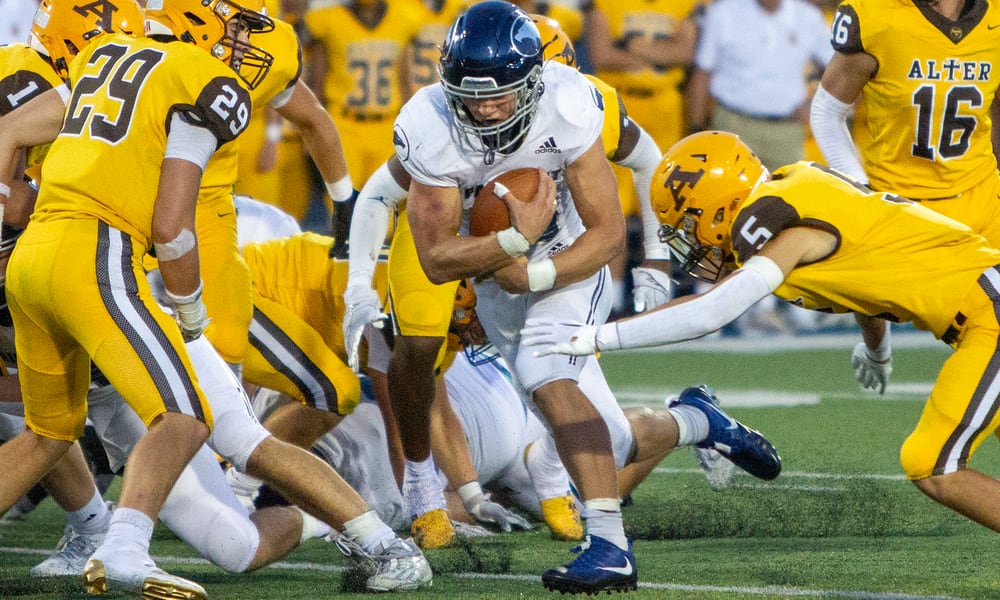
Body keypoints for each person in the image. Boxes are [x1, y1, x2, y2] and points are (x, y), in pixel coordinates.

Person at [393, 2, 780, 594]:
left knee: (545, 370)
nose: (486, 110)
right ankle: (698, 420)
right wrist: (511, 241)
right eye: (472, 97)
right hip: (502, 276)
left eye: (500, 95)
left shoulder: (570, 102)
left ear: (532, 81)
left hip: (569, 260)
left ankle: (609, 545)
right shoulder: (429, 123)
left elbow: (603, 233)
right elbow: (435, 257)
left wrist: (544, 270)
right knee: (608, 441)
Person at [522, 129, 1000, 544]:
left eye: (688, 224)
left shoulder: (783, 222)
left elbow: (714, 310)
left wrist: (598, 336)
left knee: (932, 463)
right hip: (982, 307)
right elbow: (865, 275)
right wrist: (877, 350)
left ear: (723, 204)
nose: (689, 241)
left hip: (989, 313)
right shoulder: (800, 189)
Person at [0, 0, 245, 594]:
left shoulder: (97, 58)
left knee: (47, 434)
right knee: (186, 415)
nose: (240, 41)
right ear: (200, 28)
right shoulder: (198, 77)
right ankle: (127, 548)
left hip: (29, 261)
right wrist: (190, 311)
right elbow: (171, 228)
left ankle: (107, 535)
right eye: (233, 27)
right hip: (94, 253)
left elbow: (9, 129)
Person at [809, 0, 1000, 248]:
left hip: (982, 196)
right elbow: (827, 110)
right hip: (900, 201)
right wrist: (859, 187)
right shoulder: (875, 16)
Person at [585, 0, 698, 313]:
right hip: (620, 105)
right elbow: (601, 55)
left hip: (665, 108)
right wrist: (661, 54)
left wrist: (635, 48)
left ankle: (669, 295)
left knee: (669, 206)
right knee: (611, 209)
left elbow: (687, 54)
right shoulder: (605, 6)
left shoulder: (682, 5)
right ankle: (610, 300)